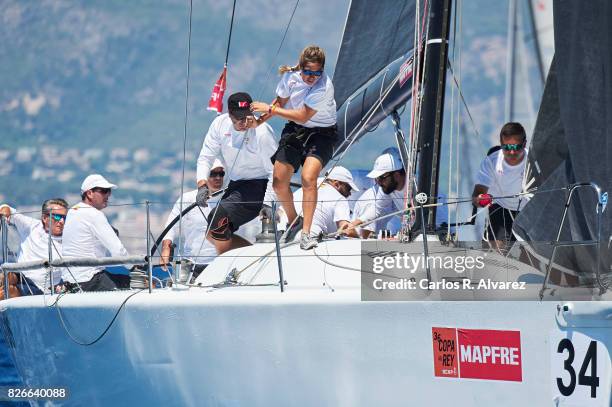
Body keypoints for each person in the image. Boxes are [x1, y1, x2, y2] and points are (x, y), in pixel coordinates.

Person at [250, 45, 338, 250]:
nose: (311, 77)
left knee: (308, 177)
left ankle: (306, 233)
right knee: (279, 183)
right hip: (296, 129)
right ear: (301, 68)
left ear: (322, 70)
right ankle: (293, 222)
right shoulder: (290, 77)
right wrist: (259, 121)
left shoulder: (324, 87)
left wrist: (270, 109)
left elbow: (302, 114)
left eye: (317, 73)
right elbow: (280, 102)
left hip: (322, 132)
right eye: (307, 72)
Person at [196, 92, 277, 255]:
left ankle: (229, 264)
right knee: (212, 234)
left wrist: (268, 202)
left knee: (217, 223)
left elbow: (275, 171)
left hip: (260, 184)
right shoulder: (219, 124)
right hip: (236, 184)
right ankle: (251, 256)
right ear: (230, 114)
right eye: (237, 118)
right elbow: (206, 157)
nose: (243, 122)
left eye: (246, 117)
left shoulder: (262, 132)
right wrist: (202, 185)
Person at [62, 174, 130, 291]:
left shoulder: (73, 211)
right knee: (144, 283)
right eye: (103, 191)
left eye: (108, 191)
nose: (108, 195)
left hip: (71, 281)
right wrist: (135, 266)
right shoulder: (94, 214)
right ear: (89, 193)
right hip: (91, 279)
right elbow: (117, 251)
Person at [160, 159, 225, 279]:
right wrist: (165, 248)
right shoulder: (188, 198)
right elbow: (171, 225)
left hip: (220, 264)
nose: (218, 178)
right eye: (213, 174)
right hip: (191, 264)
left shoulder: (229, 199)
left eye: (221, 174)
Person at [472, 122, 529, 248]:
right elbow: (477, 193)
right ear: (501, 144)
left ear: (524, 144)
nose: (512, 152)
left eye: (516, 147)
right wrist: (481, 199)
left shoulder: (532, 161)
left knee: (530, 254)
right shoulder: (492, 161)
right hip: (500, 206)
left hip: (527, 210)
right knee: (496, 247)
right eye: (507, 147)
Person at [0, 199, 68, 298]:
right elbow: (7, 209)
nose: (61, 221)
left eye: (64, 218)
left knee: (5, 292)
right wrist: (4, 210)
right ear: (45, 218)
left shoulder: (69, 240)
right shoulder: (32, 225)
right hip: (21, 275)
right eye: (57, 217)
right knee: (2, 278)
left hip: (41, 289)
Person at [347, 148, 407, 236]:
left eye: (382, 177)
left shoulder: (415, 186)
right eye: (377, 178)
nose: (378, 182)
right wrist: (354, 223)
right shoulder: (387, 188)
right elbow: (377, 208)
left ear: (397, 175)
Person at [291, 166, 358, 239]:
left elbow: (281, 211)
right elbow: (346, 230)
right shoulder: (340, 199)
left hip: (283, 233)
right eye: (348, 188)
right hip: (307, 238)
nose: (350, 193)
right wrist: (362, 235)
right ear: (337, 184)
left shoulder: (307, 189)